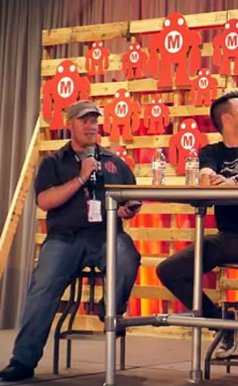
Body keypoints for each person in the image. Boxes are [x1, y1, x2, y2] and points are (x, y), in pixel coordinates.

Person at [0, 100, 142, 382]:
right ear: (70, 125)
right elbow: (45, 201)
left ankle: (110, 308)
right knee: (43, 285)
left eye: (95, 121)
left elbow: (131, 199)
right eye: (85, 121)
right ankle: (23, 361)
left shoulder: (115, 163)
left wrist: (130, 208)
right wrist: (80, 178)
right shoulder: (53, 162)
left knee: (128, 255)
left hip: (106, 234)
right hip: (64, 239)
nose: (91, 126)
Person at [156, 91, 238, 363]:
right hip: (227, 237)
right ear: (227, 118)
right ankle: (221, 324)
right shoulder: (210, 151)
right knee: (169, 270)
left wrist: (231, 182)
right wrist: (215, 179)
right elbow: (205, 177)